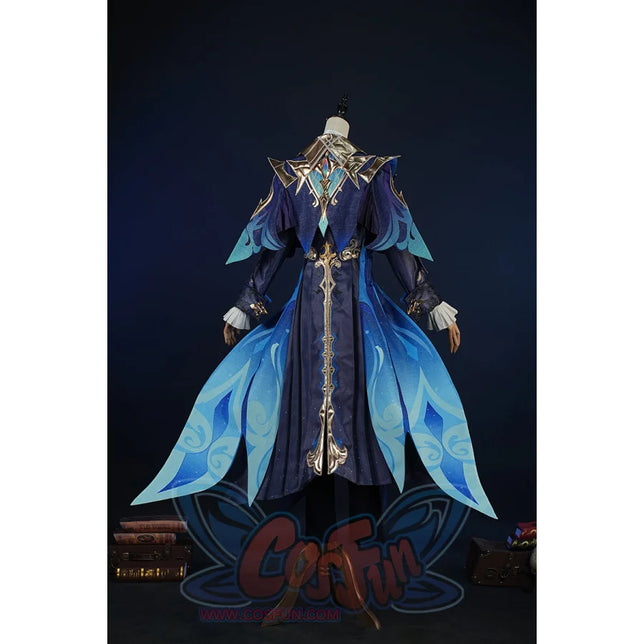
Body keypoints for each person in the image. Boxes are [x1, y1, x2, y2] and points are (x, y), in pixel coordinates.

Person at [131, 112, 496, 520]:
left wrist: (431, 302)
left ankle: (358, 538)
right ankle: (320, 541)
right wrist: (247, 301)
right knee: (307, 414)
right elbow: (284, 247)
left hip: (355, 315)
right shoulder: (305, 174)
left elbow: (390, 244)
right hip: (311, 317)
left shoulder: (353, 173)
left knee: (363, 410)